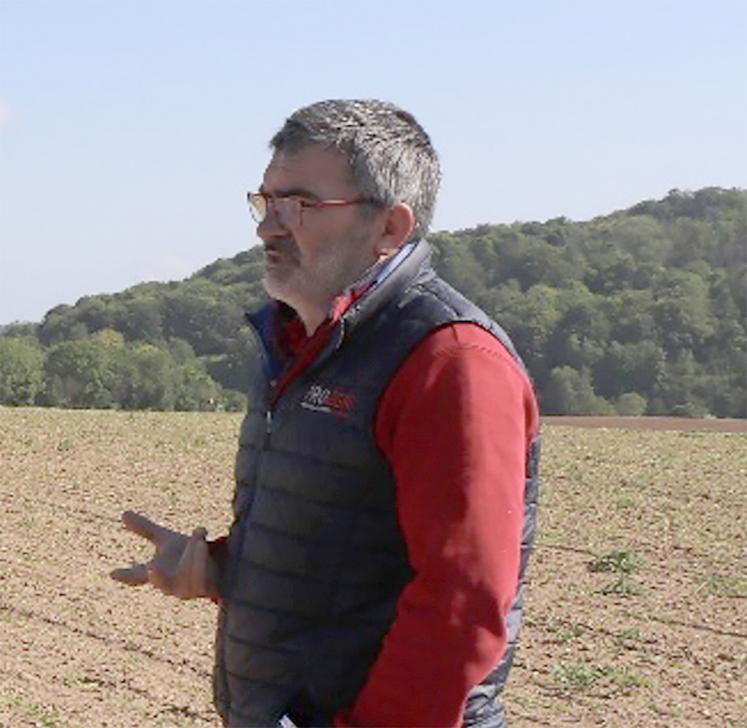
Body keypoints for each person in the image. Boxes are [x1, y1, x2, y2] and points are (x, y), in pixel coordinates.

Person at [111, 99, 540, 728]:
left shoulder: (449, 361)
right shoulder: (300, 341)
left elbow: (460, 607)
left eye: (299, 206)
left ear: (390, 228)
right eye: (266, 202)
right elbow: (349, 548)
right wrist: (225, 567)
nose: (267, 228)